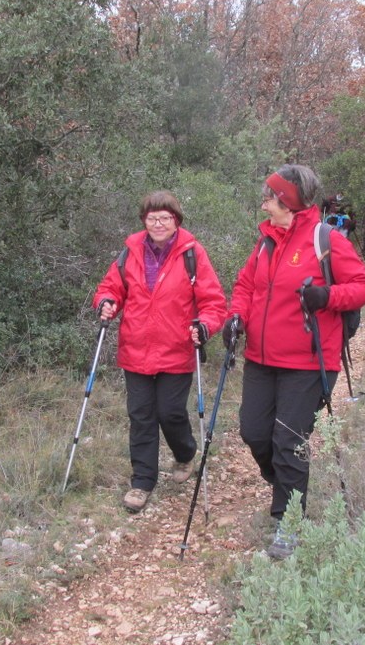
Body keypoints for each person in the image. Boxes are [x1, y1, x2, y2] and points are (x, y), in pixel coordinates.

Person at [224, 165, 365, 558]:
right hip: (260, 356)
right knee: (254, 434)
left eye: (270, 196)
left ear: (287, 202)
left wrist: (326, 298)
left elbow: (362, 287)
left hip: (308, 362)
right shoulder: (265, 240)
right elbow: (244, 285)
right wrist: (236, 315)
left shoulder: (325, 240)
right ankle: (286, 489)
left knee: (288, 442)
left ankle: (289, 522)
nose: (264, 201)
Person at [93, 191, 227, 513]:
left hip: (176, 349)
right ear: (144, 220)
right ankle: (142, 481)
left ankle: (185, 454)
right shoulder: (131, 251)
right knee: (141, 416)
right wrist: (107, 303)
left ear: (176, 220)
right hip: (136, 350)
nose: (158, 223)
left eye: (165, 218)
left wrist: (205, 326)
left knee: (170, 413)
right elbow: (111, 287)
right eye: (152, 218)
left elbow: (213, 302)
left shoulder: (192, 254)